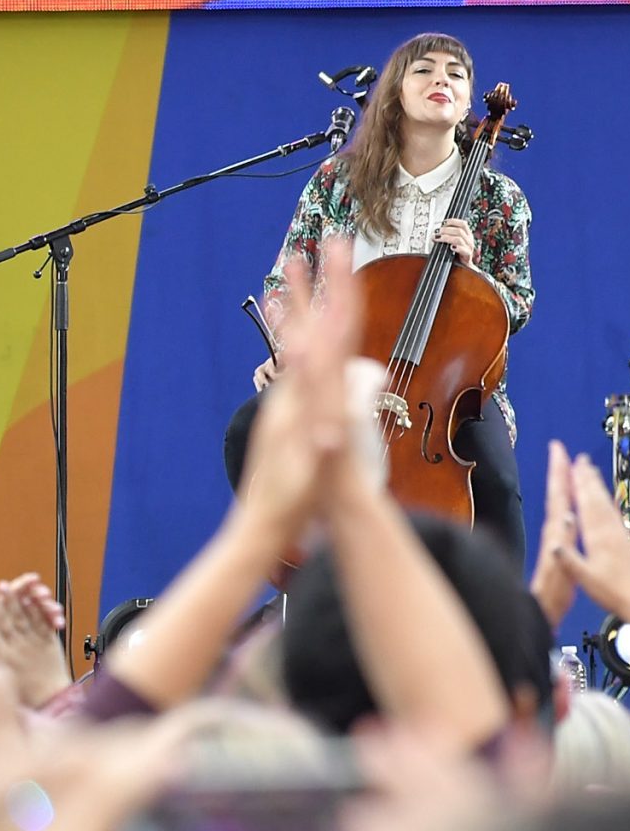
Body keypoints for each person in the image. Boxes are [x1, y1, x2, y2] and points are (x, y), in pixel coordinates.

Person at [225, 32, 534, 559]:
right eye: (424, 70)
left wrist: (475, 274)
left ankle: (497, 610)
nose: (441, 80)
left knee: (498, 486)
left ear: (467, 104)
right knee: (247, 430)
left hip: (447, 391)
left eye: (456, 74)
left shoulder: (499, 198)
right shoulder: (337, 181)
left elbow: (518, 304)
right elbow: (284, 282)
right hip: (342, 376)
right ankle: (304, 572)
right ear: (395, 92)